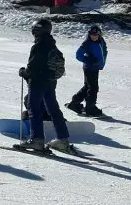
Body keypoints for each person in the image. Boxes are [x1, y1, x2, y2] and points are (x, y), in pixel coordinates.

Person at [17, 19, 70, 151]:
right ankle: (62, 139)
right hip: (51, 82)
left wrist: (23, 72)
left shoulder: (39, 45)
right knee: (53, 110)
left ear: (36, 31)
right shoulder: (52, 45)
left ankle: (36, 140)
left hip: (37, 82)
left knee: (34, 109)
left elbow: (32, 68)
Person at [66, 25, 107, 116]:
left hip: (95, 67)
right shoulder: (87, 43)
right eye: (92, 35)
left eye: (96, 35)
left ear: (99, 35)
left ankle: (74, 103)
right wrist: (89, 59)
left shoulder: (101, 41)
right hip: (89, 68)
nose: (94, 36)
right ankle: (90, 108)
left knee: (88, 86)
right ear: (89, 35)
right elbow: (78, 55)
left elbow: (104, 50)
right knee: (93, 88)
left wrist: (101, 61)